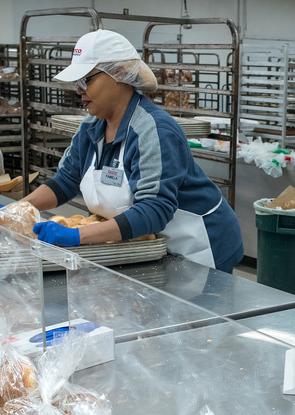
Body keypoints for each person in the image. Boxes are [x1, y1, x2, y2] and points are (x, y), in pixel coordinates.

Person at [22, 30, 244, 273]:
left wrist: (78, 235)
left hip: (197, 248)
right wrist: (17, 210)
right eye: (77, 82)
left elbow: (154, 210)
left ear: (118, 74)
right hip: (150, 247)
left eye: (86, 80)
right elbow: (66, 181)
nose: (79, 90)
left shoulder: (154, 130)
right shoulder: (92, 126)